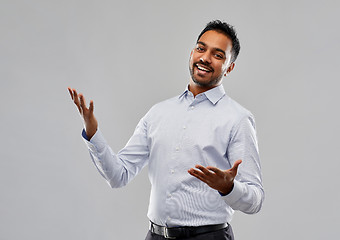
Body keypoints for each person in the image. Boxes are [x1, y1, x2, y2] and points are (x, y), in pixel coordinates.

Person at [68, 20, 264, 240]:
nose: (205, 58)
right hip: (156, 236)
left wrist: (228, 188)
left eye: (218, 55)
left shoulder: (238, 119)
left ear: (229, 67)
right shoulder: (158, 113)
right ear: (191, 53)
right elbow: (118, 176)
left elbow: (255, 200)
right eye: (201, 48)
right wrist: (93, 133)